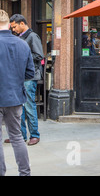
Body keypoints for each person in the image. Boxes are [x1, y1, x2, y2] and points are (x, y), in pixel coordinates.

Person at [0, 10, 34, 176]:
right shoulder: (22, 44)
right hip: (15, 97)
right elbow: (30, 73)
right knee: (17, 137)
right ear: (8, 24)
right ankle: (24, 172)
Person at [9, 14, 44, 146]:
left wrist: (21, 55)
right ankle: (21, 136)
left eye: (14, 26)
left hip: (30, 76)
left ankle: (34, 135)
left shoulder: (32, 36)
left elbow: (39, 56)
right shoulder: (19, 37)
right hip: (20, 76)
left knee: (29, 105)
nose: (13, 29)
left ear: (22, 24)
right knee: (20, 107)